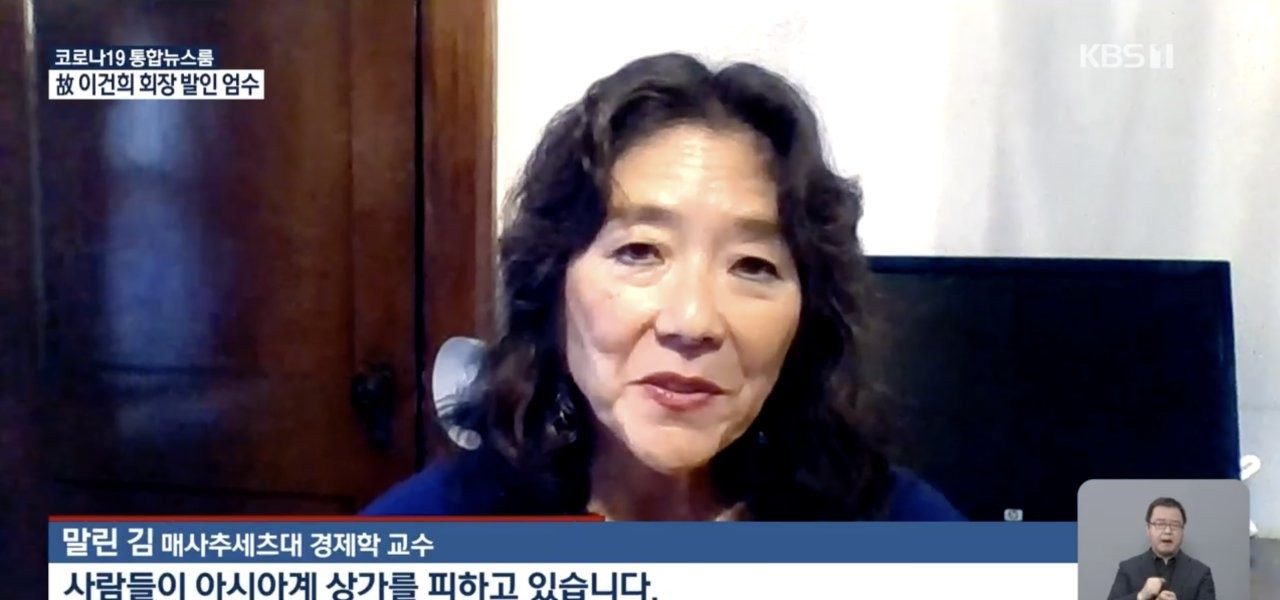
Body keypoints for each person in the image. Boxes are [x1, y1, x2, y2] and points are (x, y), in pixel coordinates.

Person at [364, 52, 962, 521]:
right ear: (552, 287)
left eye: (753, 265)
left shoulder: (902, 533)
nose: (692, 320)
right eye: (640, 252)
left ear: (807, 315)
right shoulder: (434, 533)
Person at [1107, 497, 1216, 600]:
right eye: (1160, 524)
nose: (1168, 531)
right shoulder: (1128, 568)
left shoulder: (1201, 573)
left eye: (1175, 525)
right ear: (1148, 529)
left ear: (1182, 531)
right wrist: (1142, 596)